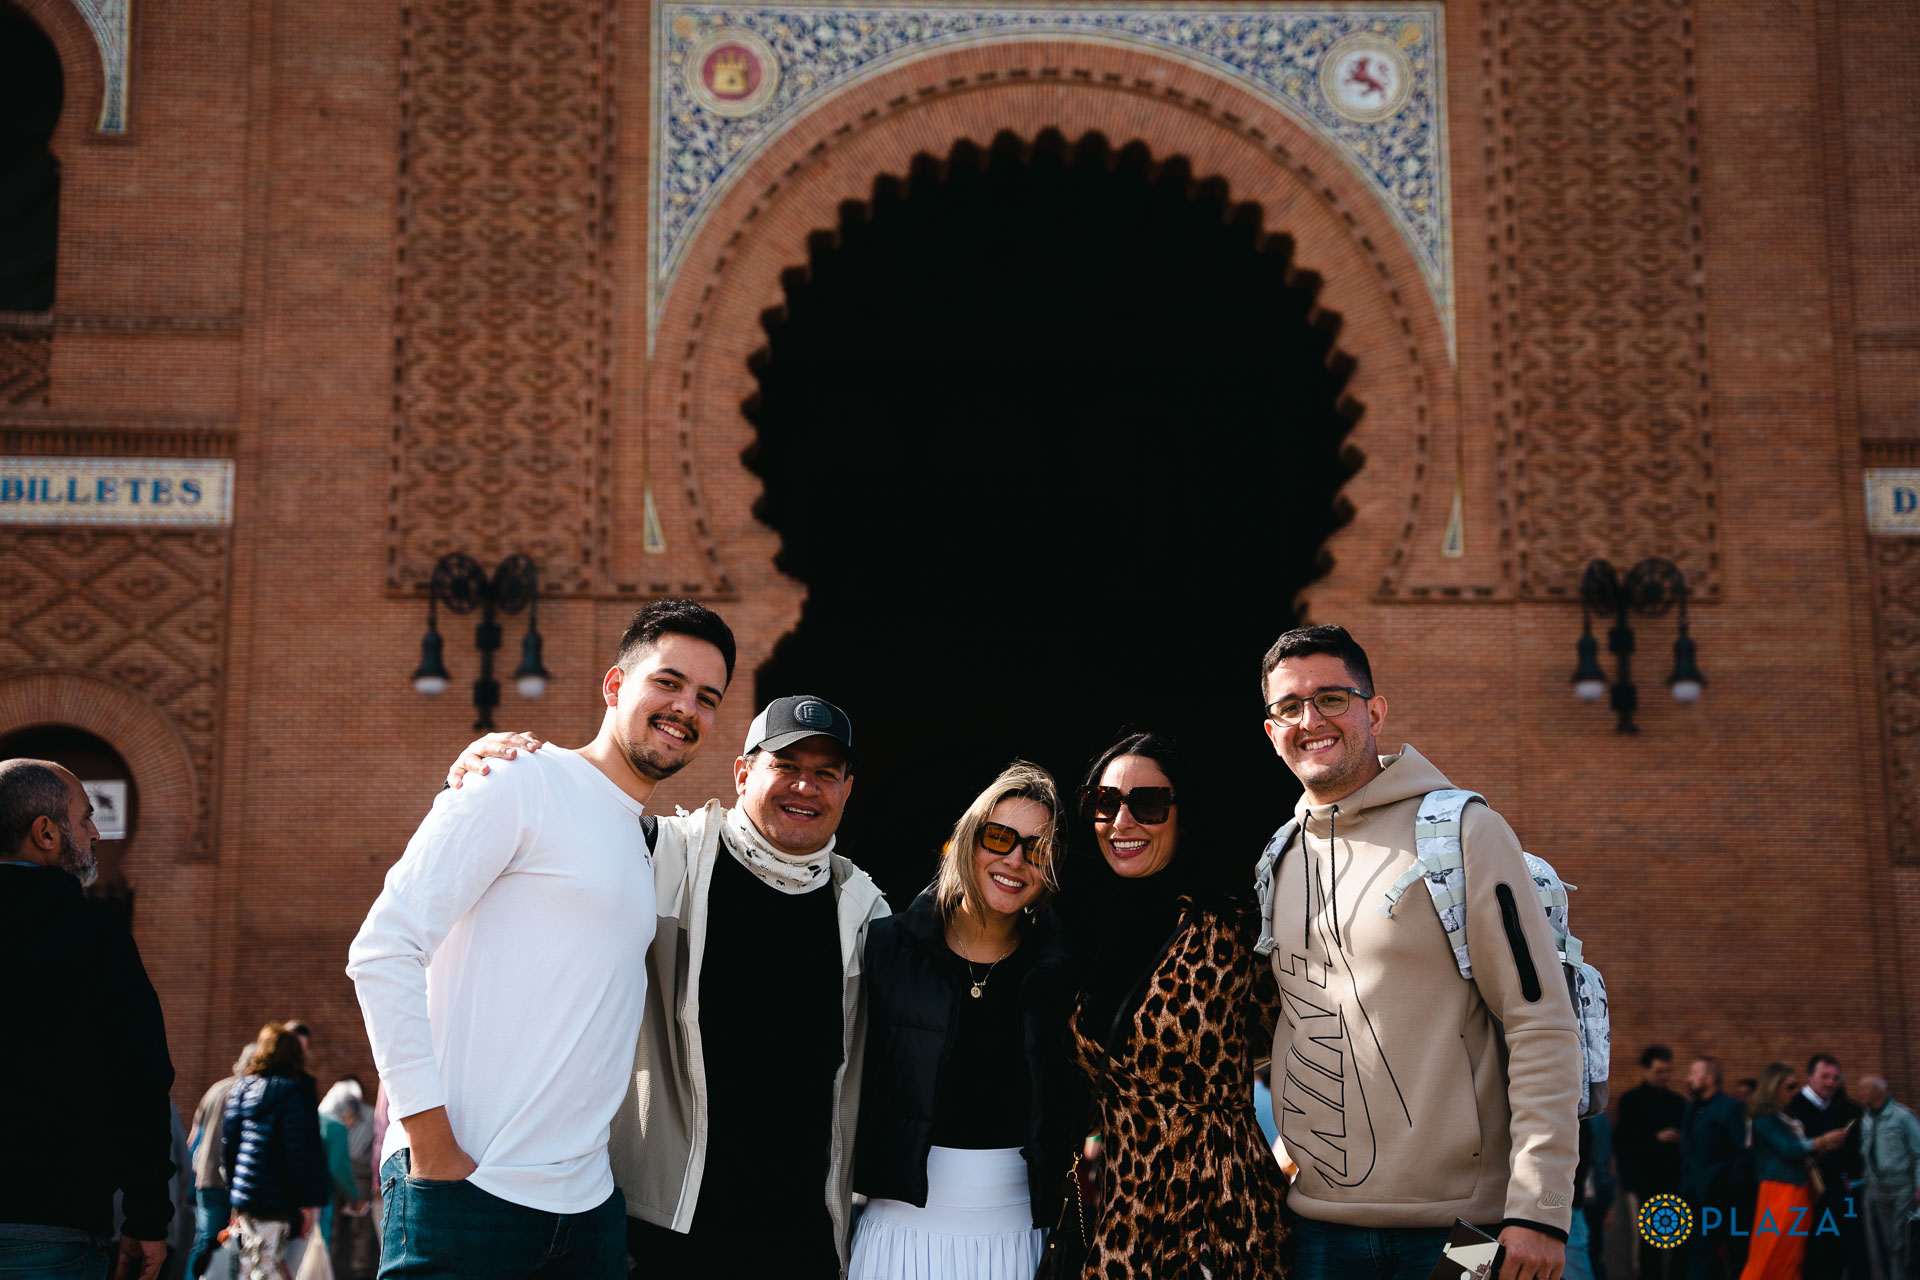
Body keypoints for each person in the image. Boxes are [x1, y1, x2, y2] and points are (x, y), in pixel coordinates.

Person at [348, 599, 736, 1279]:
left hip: (588, 1209)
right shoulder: (518, 779)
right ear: (615, 685)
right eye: (668, 682)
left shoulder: (646, 841)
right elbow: (385, 948)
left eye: (707, 698)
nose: (685, 708)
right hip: (469, 1190)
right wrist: (430, 1144)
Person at [447, 692, 890, 1276]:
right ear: (742, 773)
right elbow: (544, 836)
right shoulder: (660, 854)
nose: (805, 787)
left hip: (800, 1237)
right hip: (662, 1231)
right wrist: (489, 775)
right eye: (785, 766)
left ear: (847, 790)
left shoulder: (866, 912)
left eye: (825, 774)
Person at [1256, 625, 1582, 1280]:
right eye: (1289, 707)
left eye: (1331, 698)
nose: (1310, 720)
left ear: (1374, 712)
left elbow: (1541, 1024)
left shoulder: (1465, 833)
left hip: (1464, 1231)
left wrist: (1541, 1209)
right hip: (1316, 1233)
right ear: (1272, 731)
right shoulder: (1278, 858)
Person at [1063, 730, 1288, 1278]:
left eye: (1148, 804)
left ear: (1182, 816)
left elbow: (1308, 1043)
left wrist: (1304, 1157)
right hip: (1120, 1218)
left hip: (1222, 1221)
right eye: (1105, 802)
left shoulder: (1233, 931)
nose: (1122, 822)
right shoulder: (1072, 930)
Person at [848, 760, 1077, 1279]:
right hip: (898, 1237)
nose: (1014, 859)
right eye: (999, 837)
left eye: (1037, 848)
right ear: (969, 840)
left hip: (1019, 1240)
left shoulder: (1064, 971)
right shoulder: (886, 949)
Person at [0, 757, 175, 1280]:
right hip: (52, 1230)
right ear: (45, 833)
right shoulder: (94, 936)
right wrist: (148, 1216)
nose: (96, 833)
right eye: (85, 818)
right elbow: (141, 1080)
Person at [222, 1022, 331, 1280]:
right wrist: (308, 1202)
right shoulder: (297, 1094)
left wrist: (235, 1191)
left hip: (248, 1196)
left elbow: (229, 1146)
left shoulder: (242, 1089)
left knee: (250, 1263)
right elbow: (301, 1152)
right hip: (281, 1197)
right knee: (267, 1264)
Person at [1739, 1062, 1847, 1280]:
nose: (1795, 1091)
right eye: (1790, 1086)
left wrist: (1824, 1146)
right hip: (1779, 1191)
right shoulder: (1764, 1119)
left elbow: (1799, 1154)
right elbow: (1789, 1149)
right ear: (1774, 1087)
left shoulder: (1785, 1119)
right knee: (1773, 1252)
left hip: (1796, 1189)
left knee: (1791, 1255)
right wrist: (1822, 1141)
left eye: (1796, 1086)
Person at [1788, 1055, 1867, 1280]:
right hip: (1801, 1192)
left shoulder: (1835, 1107)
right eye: (1825, 1076)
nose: (1831, 1082)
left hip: (1832, 1192)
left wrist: (1844, 1175)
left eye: (1835, 1078)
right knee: (1808, 1254)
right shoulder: (1793, 1107)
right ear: (1810, 1077)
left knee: (1833, 1253)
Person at [1617, 1045, 1688, 1279]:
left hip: (1674, 1180)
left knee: (1677, 1239)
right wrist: (1655, 1137)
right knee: (1649, 1243)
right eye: (1659, 1071)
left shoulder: (1678, 1102)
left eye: (1667, 1071)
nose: (1664, 1076)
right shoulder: (1631, 1101)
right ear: (1645, 1070)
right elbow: (1624, 1141)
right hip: (1645, 1182)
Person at [186, 1045, 253, 1278]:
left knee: (205, 1241)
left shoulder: (216, 1089)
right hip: (236, 1180)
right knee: (235, 1241)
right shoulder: (253, 1091)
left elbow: (194, 1139)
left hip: (206, 1176)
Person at [1680, 1057, 1748, 1280]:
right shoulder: (1690, 1109)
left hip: (1723, 1199)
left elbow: (1742, 1153)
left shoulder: (1732, 1108)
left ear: (1709, 1079)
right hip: (1694, 1197)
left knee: (1733, 1257)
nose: (1688, 1078)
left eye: (1693, 1073)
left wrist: (1727, 1187)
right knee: (1699, 1256)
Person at [1855, 1076, 1920, 1280]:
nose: (1859, 1093)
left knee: (1901, 1241)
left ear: (1878, 1091)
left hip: (1902, 1188)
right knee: (1887, 1242)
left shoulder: (1902, 1117)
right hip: (1877, 1188)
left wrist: (1919, 1185)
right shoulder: (1866, 1119)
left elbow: (1918, 1153)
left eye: (1864, 1089)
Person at [319, 1080, 378, 1280]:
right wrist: (354, 1197)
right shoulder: (336, 1126)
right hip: (326, 1187)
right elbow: (339, 1167)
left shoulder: (315, 1118)